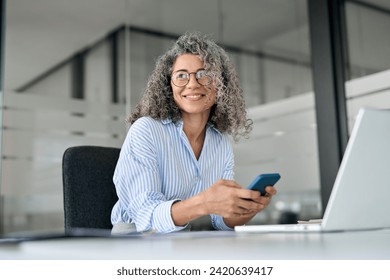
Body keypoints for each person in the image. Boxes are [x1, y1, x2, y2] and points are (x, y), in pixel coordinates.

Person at [111, 31, 277, 233]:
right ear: (168, 85)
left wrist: (247, 208)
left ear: (220, 84)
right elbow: (146, 216)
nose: (192, 84)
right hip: (136, 244)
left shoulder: (220, 142)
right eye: (181, 75)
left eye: (204, 74)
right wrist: (204, 202)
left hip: (184, 243)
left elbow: (219, 220)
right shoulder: (146, 130)